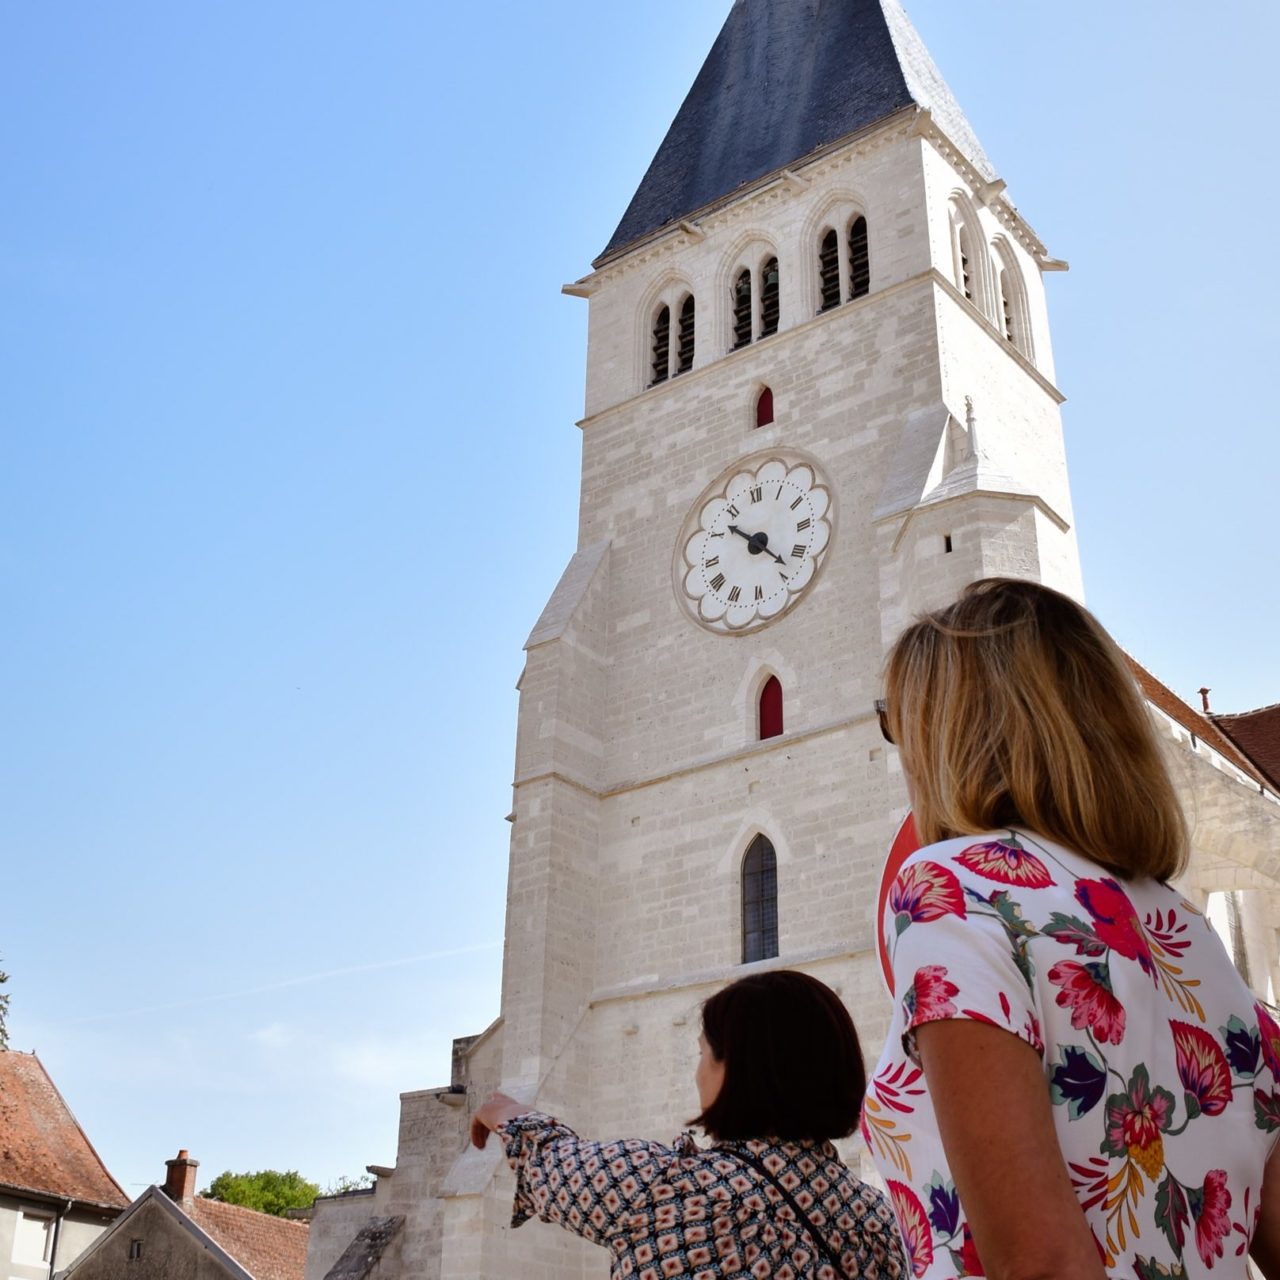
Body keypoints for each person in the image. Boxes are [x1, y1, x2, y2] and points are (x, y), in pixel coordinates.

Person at [866, 577, 1280, 1280]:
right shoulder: (1183, 927)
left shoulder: (954, 887)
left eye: (898, 722)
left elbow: (1041, 1263)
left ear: (958, 734)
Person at [472, 969, 906, 1279]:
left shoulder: (665, 1188)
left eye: (703, 1054)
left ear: (739, 1069)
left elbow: (551, 1162)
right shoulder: (879, 1220)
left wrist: (502, 1111)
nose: (697, 1072)